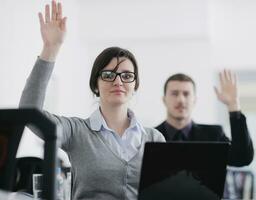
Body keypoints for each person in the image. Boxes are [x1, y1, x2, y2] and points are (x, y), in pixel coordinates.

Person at [19, 1, 165, 200]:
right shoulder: (76, 132)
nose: (118, 81)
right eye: (108, 74)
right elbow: (29, 113)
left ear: (135, 85)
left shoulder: (155, 139)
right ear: (95, 85)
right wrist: (50, 49)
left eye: (127, 75)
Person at [155, 72, 254, 166]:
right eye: (174, 93)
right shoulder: (152, 136)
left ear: (195, 100)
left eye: (186, 94)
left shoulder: (214, 135)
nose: (181, 99)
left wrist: (233, 105)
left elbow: (242, 158)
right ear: (164, 100)